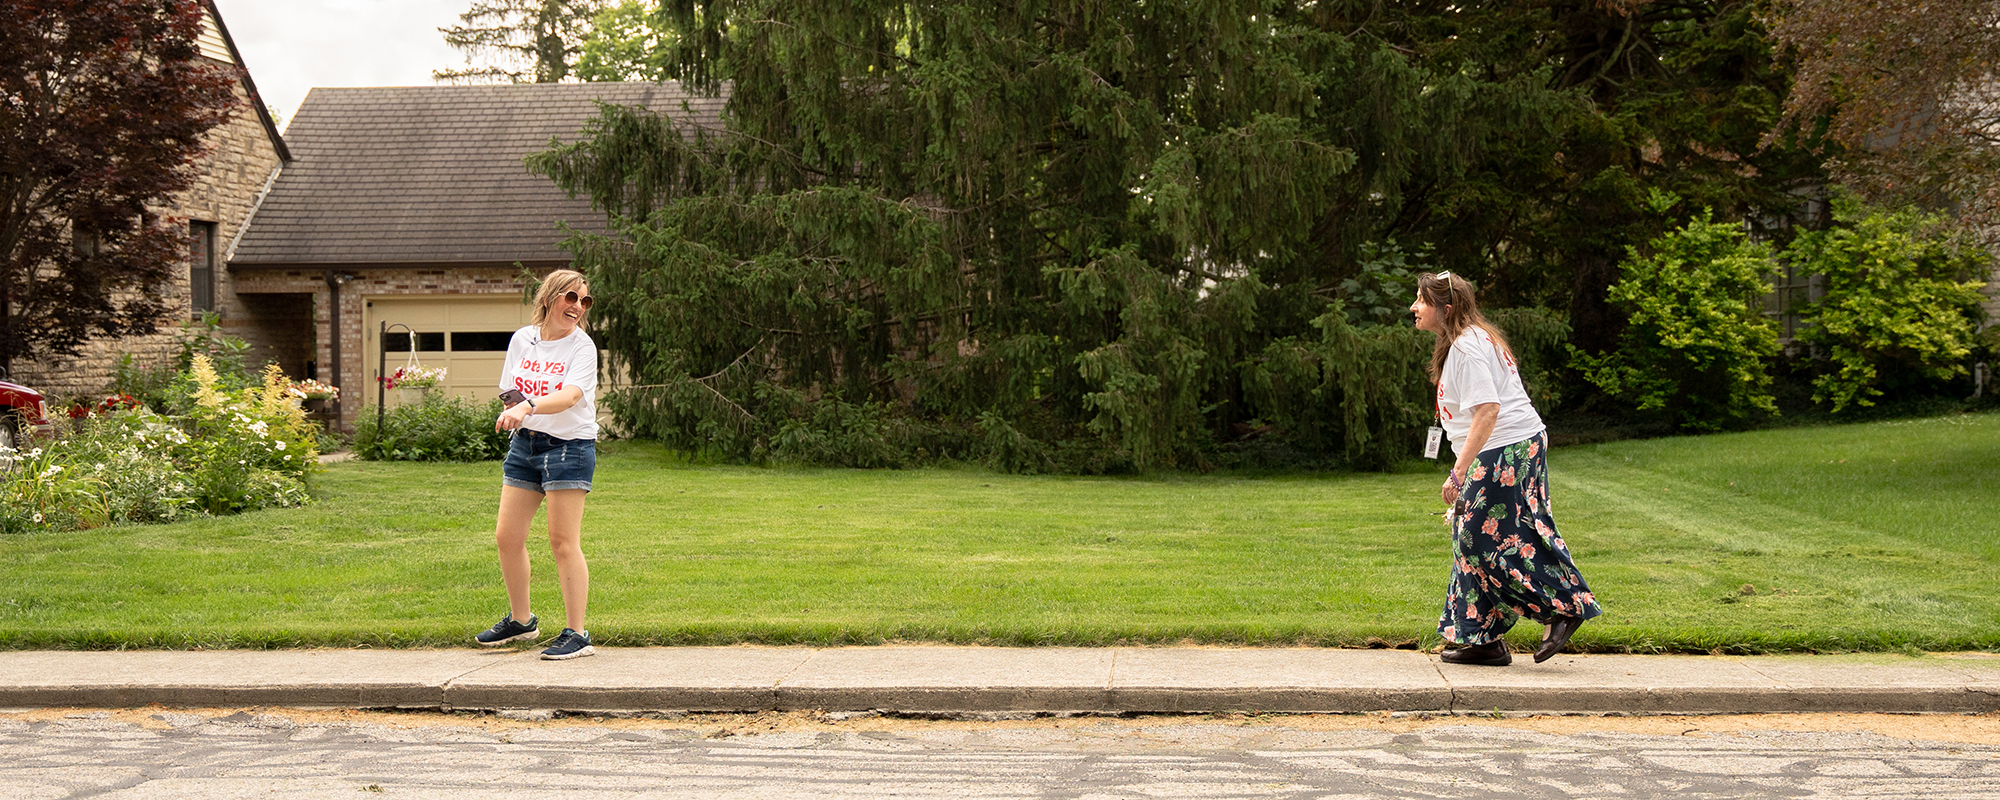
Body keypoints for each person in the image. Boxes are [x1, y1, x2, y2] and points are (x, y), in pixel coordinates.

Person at [1411, 271, 1600, 666]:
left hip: (1505, 447)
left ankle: (1561, 606)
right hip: (1514, 444)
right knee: (1474, 536)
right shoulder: (1469, 340)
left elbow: (1489, 410)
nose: (1414, 308)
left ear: (1446, 309)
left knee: (1481, 537)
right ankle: (1481, 638)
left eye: (1421, 301)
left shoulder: (1467, 347)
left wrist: (1459, 471)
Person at [474, 269, 601, 660]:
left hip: (570, 446)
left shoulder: (582, 347)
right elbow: (508, 386)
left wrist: (528, 406)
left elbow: (569, 397)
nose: (577, 307)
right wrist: (515, 406)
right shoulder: (522, 340)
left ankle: (577, 634)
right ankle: (522, 620)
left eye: (584, 301)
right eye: (570, 298)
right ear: (549, 297)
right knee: (507, 537)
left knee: (563, 542)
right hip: (525, 445)